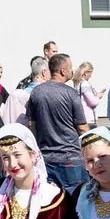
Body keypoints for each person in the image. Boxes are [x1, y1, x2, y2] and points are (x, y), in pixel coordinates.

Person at [23, 53, 90, 193]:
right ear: (63, 71)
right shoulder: (71, 93)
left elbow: (32, 126)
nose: (72, 70)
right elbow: (82, 128)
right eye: (70, 67)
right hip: (70, 158)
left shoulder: (36, 92)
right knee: (77, 199)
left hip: (46, 158)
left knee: (51, 200)